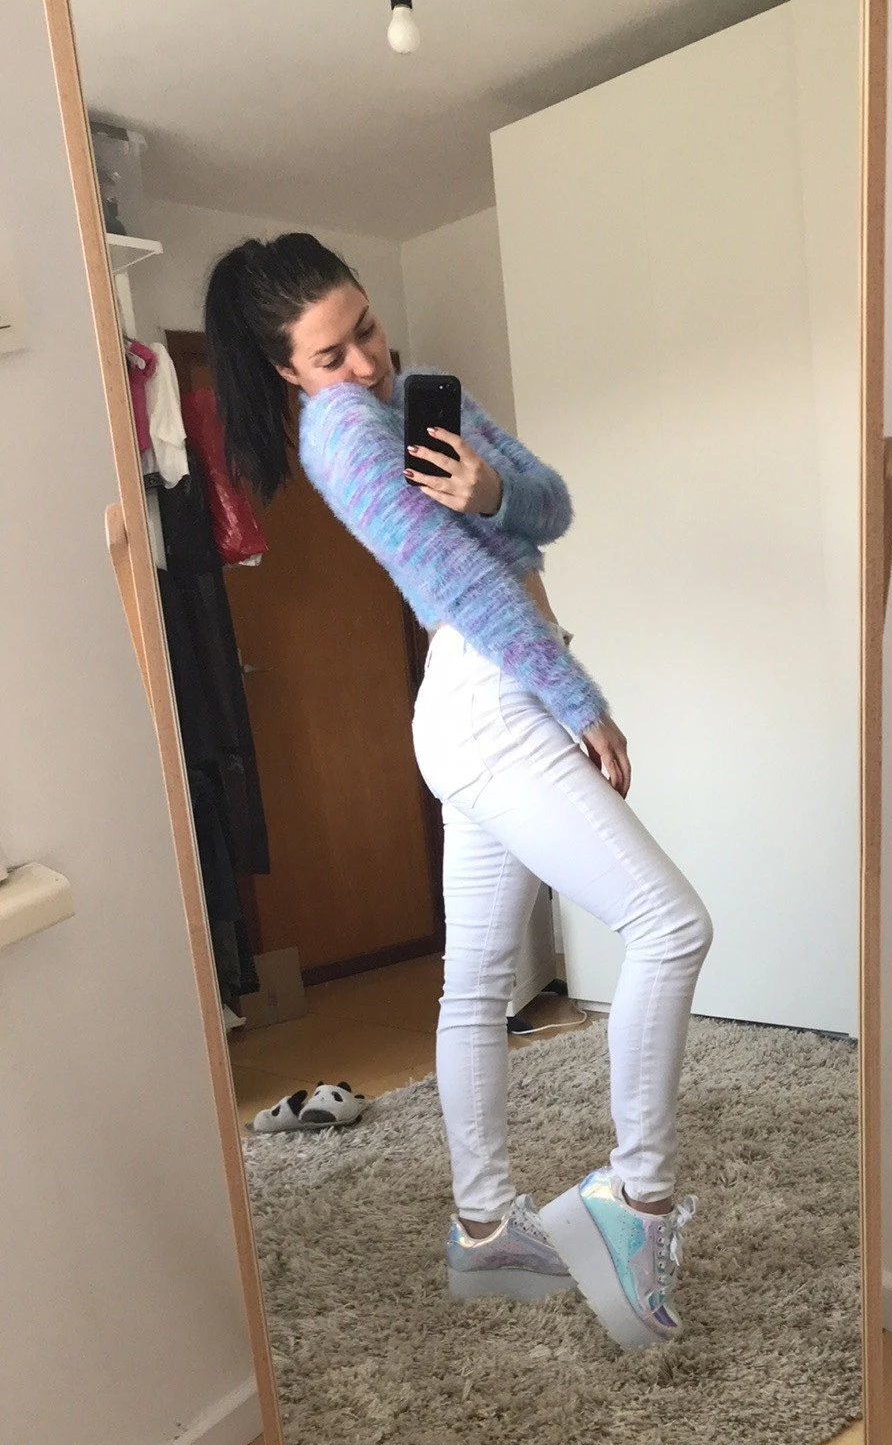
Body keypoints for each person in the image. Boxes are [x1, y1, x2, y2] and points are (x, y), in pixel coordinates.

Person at [204, 232, 713, 1350]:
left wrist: (492, 489)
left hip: (480, 703)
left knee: (476, 983)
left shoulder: (427, 395)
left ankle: (486, 1232)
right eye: (332, 356)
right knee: (670, 925)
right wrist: (579, 700)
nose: (366, 365)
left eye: (367, 329)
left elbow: (553, 506)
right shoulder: (342, 436)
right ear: (289, 370)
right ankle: (634, 1204)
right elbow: (462, 587)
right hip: (494, 698)